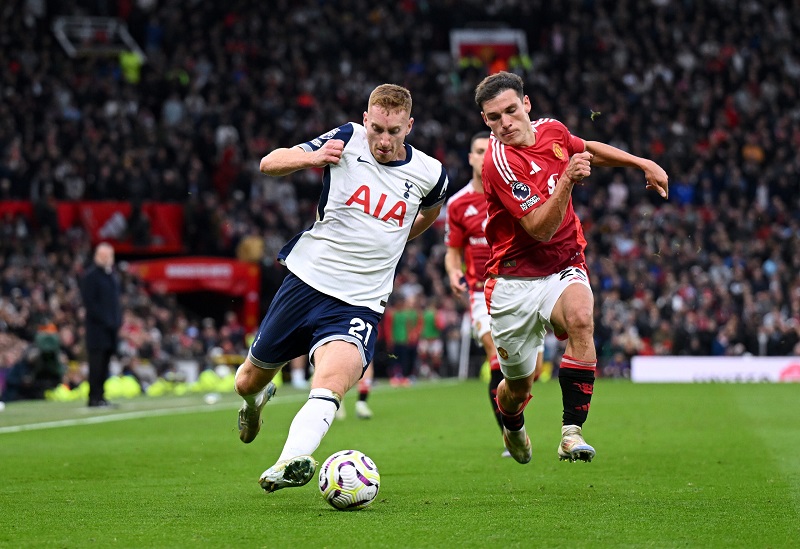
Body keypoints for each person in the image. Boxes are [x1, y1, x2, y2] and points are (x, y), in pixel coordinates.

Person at [234, 84, 448, 493]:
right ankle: (253, 403)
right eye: (378, 129)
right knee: (247, 380)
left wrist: (397, 239)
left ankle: (289, 461)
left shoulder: (432, 173)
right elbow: (269, 163)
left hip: (360, 301)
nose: (384, 141)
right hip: (306, 283)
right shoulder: (347, 138)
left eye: (395, 131)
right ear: (366, 119)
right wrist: (313, 158)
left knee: (330, 382)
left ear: (410, 126)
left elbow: (430, 213)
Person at [473, 71, 668, 464]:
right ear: (485, 121)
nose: (505, 123)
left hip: (564, 262)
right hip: (514, 280)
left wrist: (639, 162)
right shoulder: (500, 164)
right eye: (494, 118)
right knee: (517, 384)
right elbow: (539, 229)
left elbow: (586, 150)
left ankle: (570, 433)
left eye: (511, 110)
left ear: (526, 105)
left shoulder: (553, 130)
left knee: (581, 317)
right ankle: (512, 421)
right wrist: (566, 180)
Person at [444, 131, 545, 458]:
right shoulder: (458, 204)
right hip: (480, 292)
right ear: (471, 158)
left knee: (528, 372)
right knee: (497, 359)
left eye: (489, 150)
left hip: (521, 288)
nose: (483, 155)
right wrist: (453, 272)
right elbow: (453, 250)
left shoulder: (513, 193)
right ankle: (511, 434)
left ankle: (512, 419)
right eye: (477, 150)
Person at [79, 242, 122, 408]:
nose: (107, 259)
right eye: (104, 255)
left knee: (105, 363)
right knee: (96, 364)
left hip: (111, 329)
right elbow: (90, 303)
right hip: (97, 329)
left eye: (109, 255)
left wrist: (116, 322)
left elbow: (115, 303)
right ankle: (94, 397)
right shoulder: (91, 276)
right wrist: (107, 320)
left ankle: (101, 396)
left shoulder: (111, 276)